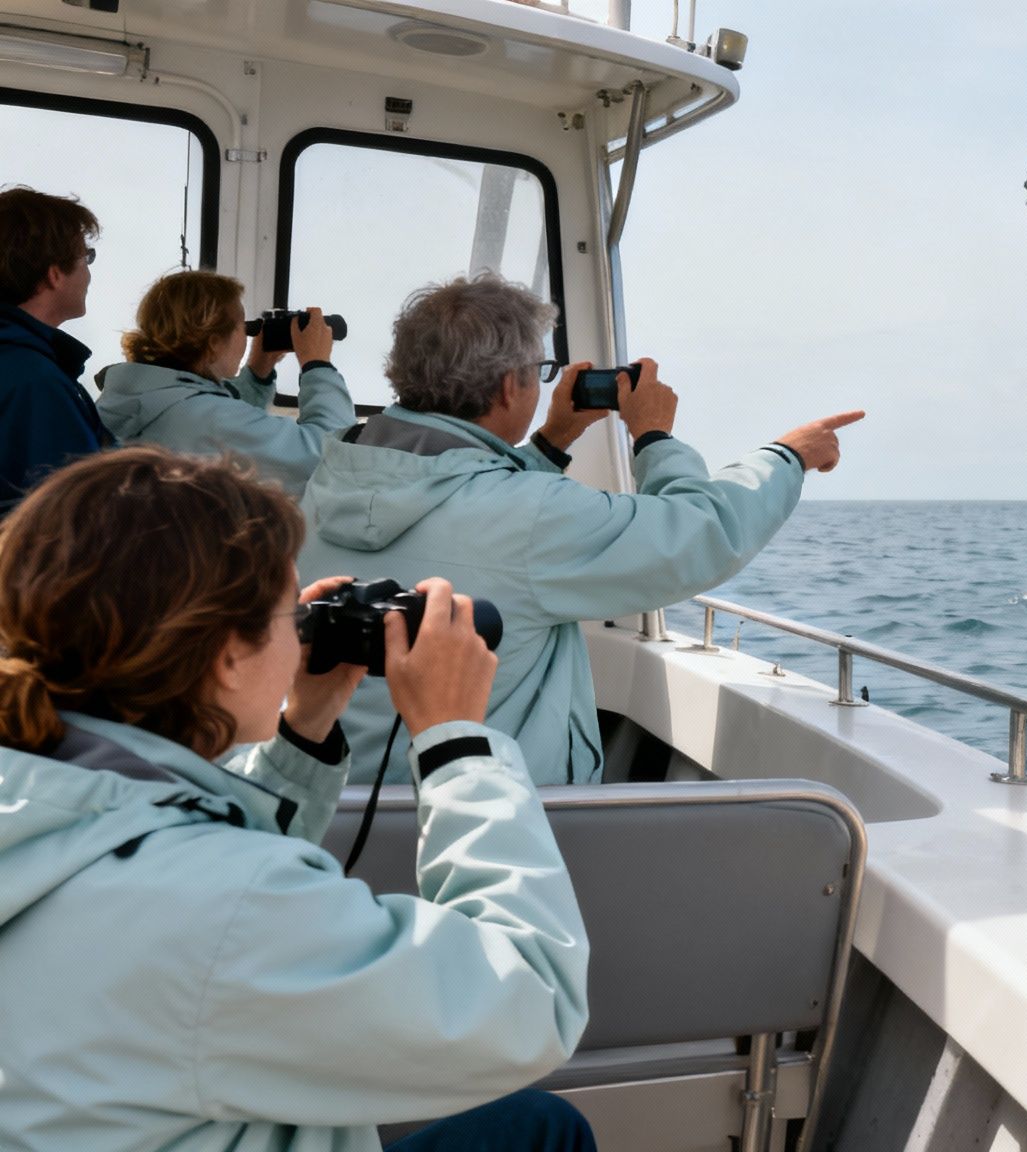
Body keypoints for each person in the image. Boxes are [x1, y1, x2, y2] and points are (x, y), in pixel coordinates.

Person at [0, 447, 594, 1151]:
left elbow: (184, 860)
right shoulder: (220, 907)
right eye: (289, 614)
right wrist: (454, 738)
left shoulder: (42, 797)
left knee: (537, 1126)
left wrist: (303, 729)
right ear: (226, 656)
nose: (301, 633)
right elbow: (529, 1003)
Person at [299, 273, 863, 784]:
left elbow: (463, 500)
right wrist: (753, 451)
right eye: (538, 372)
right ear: (507, 388)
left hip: (339, 810)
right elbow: (701, 534)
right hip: (484, 820)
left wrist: (552, 440)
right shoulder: (533, 515)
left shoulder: (327, 481)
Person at [95, 271, 355, 497]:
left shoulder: (140, 397)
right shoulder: (203, 418)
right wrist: (317, 365)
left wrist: (257, 372)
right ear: (213, 343)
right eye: (242, 327)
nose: (247, 337)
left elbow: (221, 422)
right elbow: (330, 456)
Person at [0, 186, 114, 512]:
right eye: (85, 258)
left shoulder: (26, 362)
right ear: (54, 275)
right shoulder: (34, 381)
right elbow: (74, 516)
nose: (89, 273)